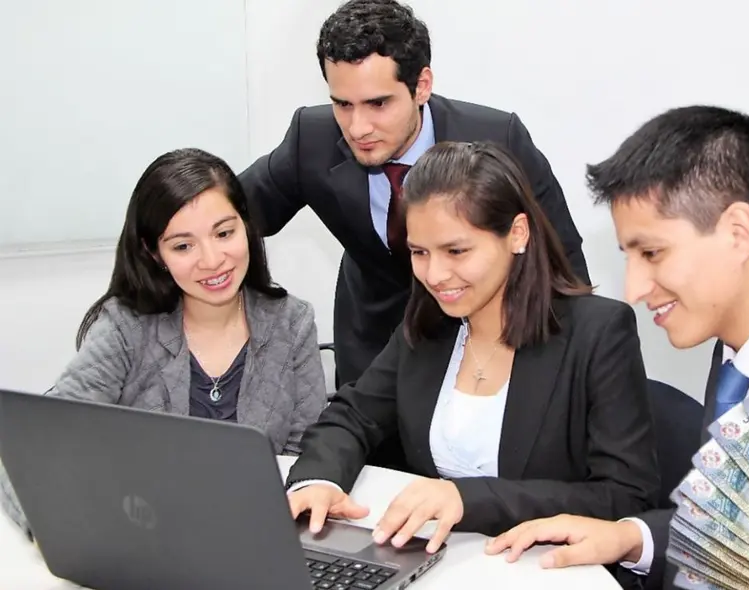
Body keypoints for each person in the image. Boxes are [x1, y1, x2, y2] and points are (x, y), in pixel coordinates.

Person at [484, 106, 749, 589]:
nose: (633, 288)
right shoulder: (739, 354)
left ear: (738, 233)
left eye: (651, 253)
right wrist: (631, 538)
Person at [284, 141, 658, 556]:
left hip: (549, 566)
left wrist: (469, 500)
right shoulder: (430, 325)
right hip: (438, 558)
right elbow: (352, 415)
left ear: (517, 234)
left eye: (456, 251)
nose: (436, 274)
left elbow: (624, 497)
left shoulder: (598, 332)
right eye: (419, 252)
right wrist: (317, 481)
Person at [239, 0, 590, 395]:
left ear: (421, 85)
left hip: (491, 353)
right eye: (342, 104)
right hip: (374, 357)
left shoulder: (498, 138)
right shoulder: (312, 139)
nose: (358, 127)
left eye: (378, 103)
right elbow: (230, 217)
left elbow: (563, 264)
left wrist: (572, 380)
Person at [0, 148, 328, 534]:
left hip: (253, 536)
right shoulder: (127, 328)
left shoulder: (291, 323)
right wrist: (55, 534)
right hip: (147, 538)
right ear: (154, 254)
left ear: (247, 227)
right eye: (183, 246)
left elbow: (305, 461)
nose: (212, 259)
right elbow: (24, 453)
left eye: (224, 233)